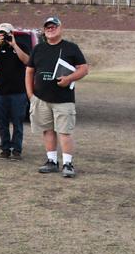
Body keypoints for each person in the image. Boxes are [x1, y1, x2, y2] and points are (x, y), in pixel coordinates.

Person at [26, 17, 89, 177]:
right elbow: (29, 71)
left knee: (64, 132)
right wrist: (30, 94)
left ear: (61, 28)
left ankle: (68, 164)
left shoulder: (71, 48)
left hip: (63, 99)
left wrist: (69, 79)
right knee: (47, 130)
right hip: (41, 98)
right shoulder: (38, 49)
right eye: (48, 27)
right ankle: (51, 161)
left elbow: (83, 69)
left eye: (54, 26)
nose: (51, 29)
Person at [0, 22, 30, 160]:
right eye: (1, 33)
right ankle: (5, 149)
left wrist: (14, 45)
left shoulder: (20, 46)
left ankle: (16, 149)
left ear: (12, 33)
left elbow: (27, 61)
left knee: (18, 122)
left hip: (18, 92)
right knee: (2, 122)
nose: (3, 36)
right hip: (1, 92)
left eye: (5, 33)